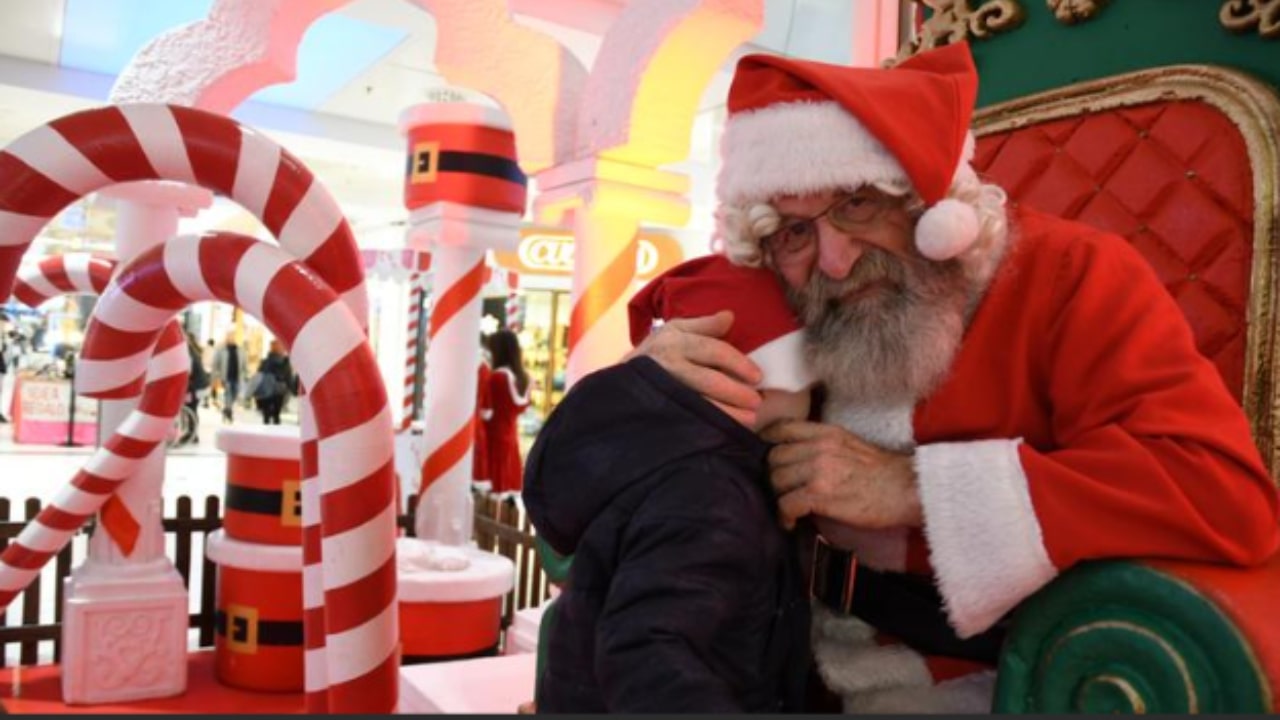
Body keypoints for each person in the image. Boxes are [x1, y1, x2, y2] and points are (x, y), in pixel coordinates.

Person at [631, 42, 1280, 711]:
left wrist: (912, 489)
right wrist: (644, 389)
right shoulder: (778, 297)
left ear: (930, 204)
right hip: (769, 650)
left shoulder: (1071, 274)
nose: (833, 259)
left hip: (975, 678)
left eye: (857, 204)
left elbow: (1219, 491)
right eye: (795, 230)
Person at [524, 255, 813, 712]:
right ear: (750, 383)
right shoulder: (712, 496)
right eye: (807, 386)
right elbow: (647, 647)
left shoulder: (650, 458)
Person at [485, 329, 531, 494]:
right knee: (507, 494)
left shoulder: (497, 378)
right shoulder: (524, 378)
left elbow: (486, 408)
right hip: (511, 437)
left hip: (492, 439)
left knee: (492, 493)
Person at [252, 339, 295, 425]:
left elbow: (260, 375)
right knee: (276, 415)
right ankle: (274, 422)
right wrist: (293, 388)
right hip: (280, 389)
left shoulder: (266, 361)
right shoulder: (285, 362)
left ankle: (268, 423)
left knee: (267, 415)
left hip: (268, 390)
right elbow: (288, 377)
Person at [212, 331, 248, 423]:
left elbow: (244, 364)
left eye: (232, 337)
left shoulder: (240, 350)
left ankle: (227, 409)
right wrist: (216, 376)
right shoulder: (221, 350)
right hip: (226, 377)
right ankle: (229, 412)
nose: (230, 339)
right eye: (228, 337)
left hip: (237, 377)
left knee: (235, 394)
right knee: (228, 395)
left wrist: (246, 374)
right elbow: (216, 364)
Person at [184, 331, 210, 443]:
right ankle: (192, 435)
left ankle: (193, 435)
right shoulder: (193, 351)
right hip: (200, 386)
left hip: (198, 387)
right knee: (192, 409)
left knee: (191, 409)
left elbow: (188, 372)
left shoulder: (189, 353)